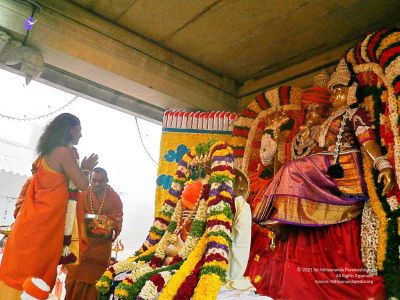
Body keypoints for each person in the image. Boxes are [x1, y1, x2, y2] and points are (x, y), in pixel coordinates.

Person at [251, 59, 392, 299]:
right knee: (291, 167)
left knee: (293, 169)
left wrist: (382, 163)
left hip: (343, 166)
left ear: (352, 91)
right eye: (333, 92)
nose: (336, 97)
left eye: (340, 91)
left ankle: (278, 216)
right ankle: (283, 215)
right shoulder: (327, 121)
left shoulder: (353, 113)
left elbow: (367, 140)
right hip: (323, 167)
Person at [0, 113, 98, 300]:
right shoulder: (63, 152)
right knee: (37, 267)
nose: (81, 135)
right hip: (45, 225)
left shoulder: (50, 151)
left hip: (35, 221)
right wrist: (86, 168)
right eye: (79, 130)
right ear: (70, 129)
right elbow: (83, 184)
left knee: (23, 264)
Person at [65, 167, 123, 300]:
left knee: (93, 288)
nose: (97, 183)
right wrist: (98, 223)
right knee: (72, 283)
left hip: (100, 250)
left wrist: (104, 227)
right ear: (90, 180)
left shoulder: (114, 198)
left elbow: (117, 220)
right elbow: (72, 216)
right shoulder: (82, 194)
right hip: (80, 248)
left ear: (106, 180)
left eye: (100, 181)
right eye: (94, 180)